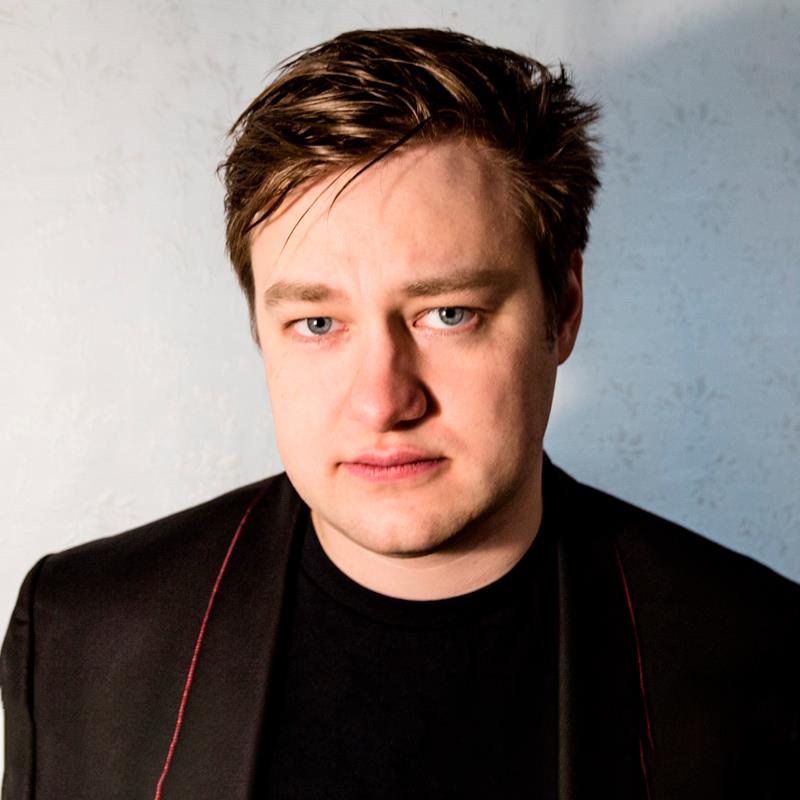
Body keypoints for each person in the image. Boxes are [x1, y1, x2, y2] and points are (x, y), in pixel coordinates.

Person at [2, 27, 798, 800]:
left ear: (563, 308)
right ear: (259, 330)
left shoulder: (760, 653)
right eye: (318, 323)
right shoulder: (79, 633)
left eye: (448, 314)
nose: (384, 402)